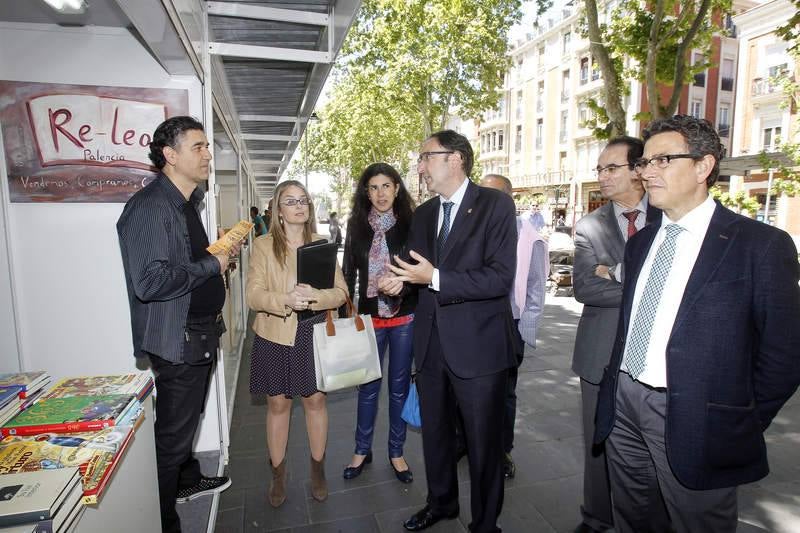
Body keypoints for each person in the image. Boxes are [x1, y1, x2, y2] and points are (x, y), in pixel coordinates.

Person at [594, 115, 800, 532]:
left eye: (662, 160)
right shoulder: (641, 243)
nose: (646, 172)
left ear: (704, 167)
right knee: (633, 520)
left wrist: (736, 419)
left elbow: (785, 354)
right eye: (644, 163)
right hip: (623, 405)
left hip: (699, 420)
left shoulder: (760, 246)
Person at [385, 130, 518, 533]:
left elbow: (498, 278)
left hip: (479, 349)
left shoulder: (495, 205)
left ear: (456, 158)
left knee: (483, 445)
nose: (420, 167)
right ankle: (441, 503)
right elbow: (415, 270)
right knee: (435, 437)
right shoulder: (424, 214)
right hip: (430, 347)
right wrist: (400, 283)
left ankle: (484, 524)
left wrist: (435, 277)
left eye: (426, 157)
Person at [117, 116, 234, 533]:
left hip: (199, 335)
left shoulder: (185, 204)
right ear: (169, 155)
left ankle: (187, 482)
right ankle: (164, 521)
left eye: (207, 147)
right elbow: (149, 282)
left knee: (185, 428)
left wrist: (217, 255)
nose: (207, 155)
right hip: (178, 341)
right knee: (171, 441)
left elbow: (184, 264)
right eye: (198, 147)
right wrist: (211, 263)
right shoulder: (151, 207)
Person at [571, 136, 658, 533]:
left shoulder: (667, 215)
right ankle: (597, 517)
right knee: (597, 442)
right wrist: (649, 284)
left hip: (656, 355)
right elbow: (586, 288)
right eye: (599, 169)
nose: (602, 176)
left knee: (653, 448)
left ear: (638, 170)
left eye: (611, 168)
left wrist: (615, 272)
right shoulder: (590, 225)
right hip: (600, 351)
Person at [246, 180, 348, 508]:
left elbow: (342, 292)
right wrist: (286, 299)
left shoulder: (321, 243)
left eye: (303, 200)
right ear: (278, 209)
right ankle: (278, 474)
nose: (299, 206)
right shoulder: (262, 246)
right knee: (278, 405)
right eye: (290, 201)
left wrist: (317, 298)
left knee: (315, 402)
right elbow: (253, 295)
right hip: (274, 334)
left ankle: (317, 471)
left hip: (313, 334)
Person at [341, 162, 417, 484]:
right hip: (369, 318)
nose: (380, 193)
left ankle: (396, 451)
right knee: (368, 387)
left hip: (403, 317)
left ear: (397, 189)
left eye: (386, 186)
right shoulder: (356, 225)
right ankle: (361, 450)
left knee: (398, 389)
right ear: (366, 192)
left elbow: (419, 271)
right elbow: (347, 274)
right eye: (373, 187)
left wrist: (404, 285)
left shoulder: (412, 224)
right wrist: (347, 314)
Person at [479, 174, 548, 479]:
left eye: (490, 195)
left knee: (504, 392)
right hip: (473, 324)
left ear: (508, 199)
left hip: (509, 324)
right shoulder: (469, 229)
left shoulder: (529, 237)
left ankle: (502, 450)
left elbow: (535, 287)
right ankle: (467, 442)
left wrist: (524, 330)